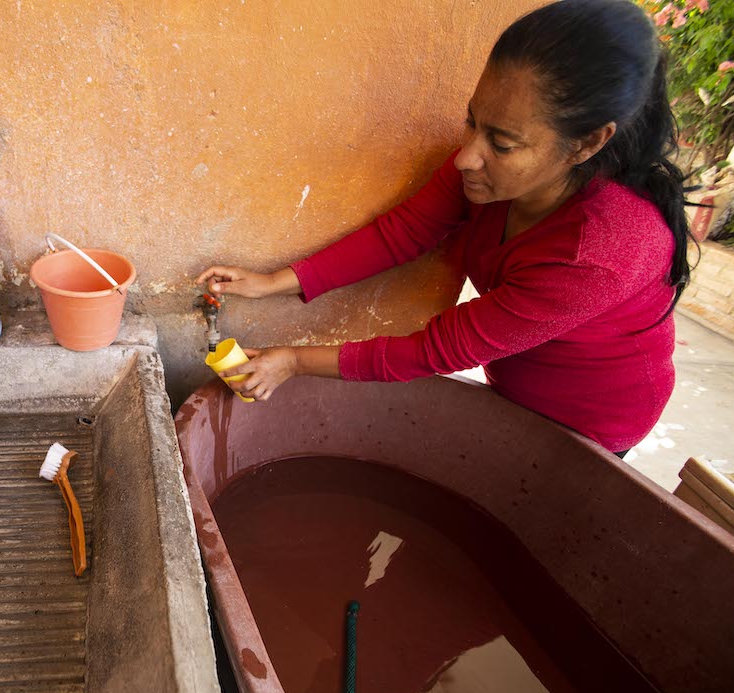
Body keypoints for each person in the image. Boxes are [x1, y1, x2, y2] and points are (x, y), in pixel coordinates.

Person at [196, 0, 689, 456]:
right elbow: (403, 232)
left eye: (501, 142)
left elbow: (435, 350)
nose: (466, 156)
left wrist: (294, 361)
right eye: (471, 122)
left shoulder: (600, 251)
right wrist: (273, 283)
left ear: (586, 144)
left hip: (591, 421)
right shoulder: (486, 176)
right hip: (514, 384)